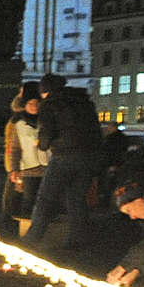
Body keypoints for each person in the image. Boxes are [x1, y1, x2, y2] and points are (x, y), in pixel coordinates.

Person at [22, 74, 105, 250]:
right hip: (89, 157)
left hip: (64, 156)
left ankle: (31, 240)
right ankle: (77, 242)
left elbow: (45, 136)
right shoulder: (84, 102)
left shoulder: (50, 104)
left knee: (45, 198)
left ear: (44, 91)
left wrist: (41, 144)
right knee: (76, 198)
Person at [1, 85, 48, 238]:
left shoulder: (48, 121)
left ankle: (43, 234)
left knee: (46, 202)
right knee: (28, 200)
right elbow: (14, 148)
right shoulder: (19, 124)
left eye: (36, 103)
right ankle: (27, 234)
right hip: (28, 169)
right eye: (30, 104)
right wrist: (14, 169)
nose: (34, 107)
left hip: (48, 168)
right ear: (24, 105)